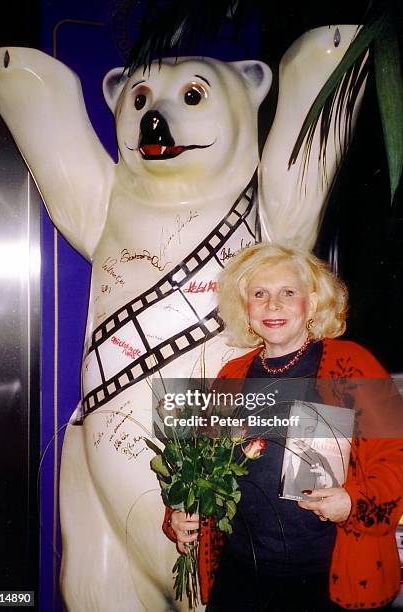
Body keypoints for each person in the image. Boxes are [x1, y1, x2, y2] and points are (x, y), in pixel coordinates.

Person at [162, 242, 403, 611]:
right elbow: (201, 468)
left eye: (288, 293)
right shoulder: (232, 376)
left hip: (328, 582)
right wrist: (181, 514)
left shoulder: (354, 365)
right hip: (241, 576)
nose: (273, 306)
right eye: (260, 294)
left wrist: (353, 502)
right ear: (245, 308)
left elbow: (397, 457)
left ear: (313, 302)